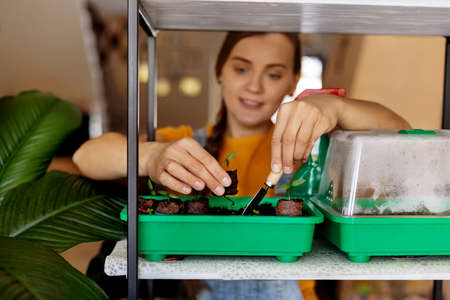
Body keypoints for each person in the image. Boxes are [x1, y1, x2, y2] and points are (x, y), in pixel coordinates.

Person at [73, 31, 411, 300]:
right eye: (241, 68)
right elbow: (86, 156)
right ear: (219, 70)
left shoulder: (310, 147)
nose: (255, 86)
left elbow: (404, 134)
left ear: (293, 81)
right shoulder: (184, 144)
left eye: (274, 74)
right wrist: (151, 156)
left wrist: (334, 108)